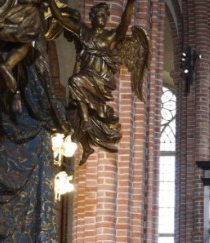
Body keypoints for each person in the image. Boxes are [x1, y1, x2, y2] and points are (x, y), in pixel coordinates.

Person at [46, 0, 149, 163]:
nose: (102, 18)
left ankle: (87, 122)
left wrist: (130, 2)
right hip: (86, 79)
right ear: (92, 17)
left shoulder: (111, 37)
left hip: (101, 83)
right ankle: (86, 143)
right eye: (98, 15)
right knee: (75, 113)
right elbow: (59, 18)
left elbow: (125, 22)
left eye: (104, 16)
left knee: (75, 82)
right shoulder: (83, 31)